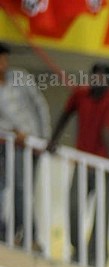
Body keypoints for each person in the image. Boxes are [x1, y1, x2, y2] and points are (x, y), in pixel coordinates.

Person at [46, 62, 109, 267]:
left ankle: (96, 257)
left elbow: (107, 129)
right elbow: (65, 114)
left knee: (102, 215)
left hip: (103, 167)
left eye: (103, 77)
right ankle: (77, 251)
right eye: (96, 76)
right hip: (82, 163)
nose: (99, 81)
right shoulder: (81, 94)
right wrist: (53, 140)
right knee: (73, 208)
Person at [0, 43, 49, 248]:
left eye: (3, 58)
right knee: (8, 188)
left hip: (32, 144)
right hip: (8, 145)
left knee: (24, 189)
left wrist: (43, 138)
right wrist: (11, 132)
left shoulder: (20, 77)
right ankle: (13, 233)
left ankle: (26, 234)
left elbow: (40, 105)